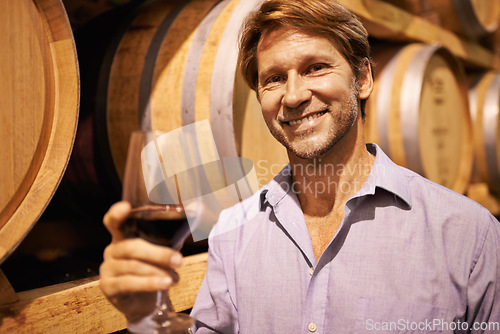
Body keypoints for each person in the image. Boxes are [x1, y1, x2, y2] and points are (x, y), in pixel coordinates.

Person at [100, 0, 500, 332]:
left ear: (362, 78)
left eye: (315, 68)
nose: (293, 96)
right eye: (273, 78)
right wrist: (143, 317)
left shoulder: (469, 236)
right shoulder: (232, 231)